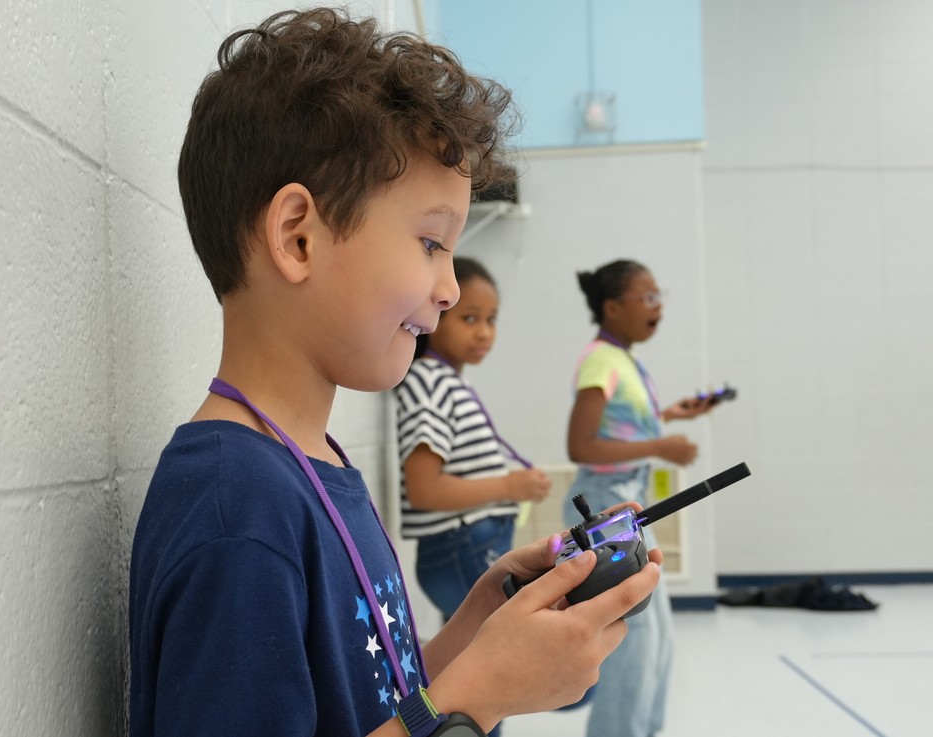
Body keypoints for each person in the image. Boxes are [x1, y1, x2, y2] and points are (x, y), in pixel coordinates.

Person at [128, 10, 663, 737]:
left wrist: (481, 624)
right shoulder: (238, 516)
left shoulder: (308, 464)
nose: (449, 288)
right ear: (298, 237)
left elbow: (377, 709)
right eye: (431, 242)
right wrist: (480, 696)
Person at [395, 257, 551, 736]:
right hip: (460, 546)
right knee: (489, 671)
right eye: (469, 318)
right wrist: (509, 486)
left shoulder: (447, 381)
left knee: (476, 668)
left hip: (467, 545)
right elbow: (424, 488)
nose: (484, 332)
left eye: (491, 319)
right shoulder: (430, 382)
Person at [563, 259, 714, 737]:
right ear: (612, 307)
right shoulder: (600, 360)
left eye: (658, 297)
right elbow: (581, 445)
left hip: (627, 502)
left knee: (657, 638)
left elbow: (620, 427)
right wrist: (660, 446)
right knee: (635, 640)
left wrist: (671, 416)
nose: (658, 307)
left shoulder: (623, 359)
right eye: (647, 298)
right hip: (607, 504)